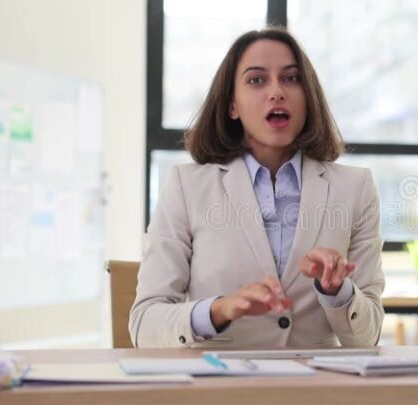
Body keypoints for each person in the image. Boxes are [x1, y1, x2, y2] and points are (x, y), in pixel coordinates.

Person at [129, 28, 385, 348]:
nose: (277, 92)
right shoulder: (186, 186)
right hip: (221, 389)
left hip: (318, 391)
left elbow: (368, 338)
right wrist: (219, 309)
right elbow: (144, 325)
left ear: (308, 98)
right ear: (232, 106)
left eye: (292, 79)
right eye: (256, 80)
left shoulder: (355, 188)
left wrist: (338, 291)